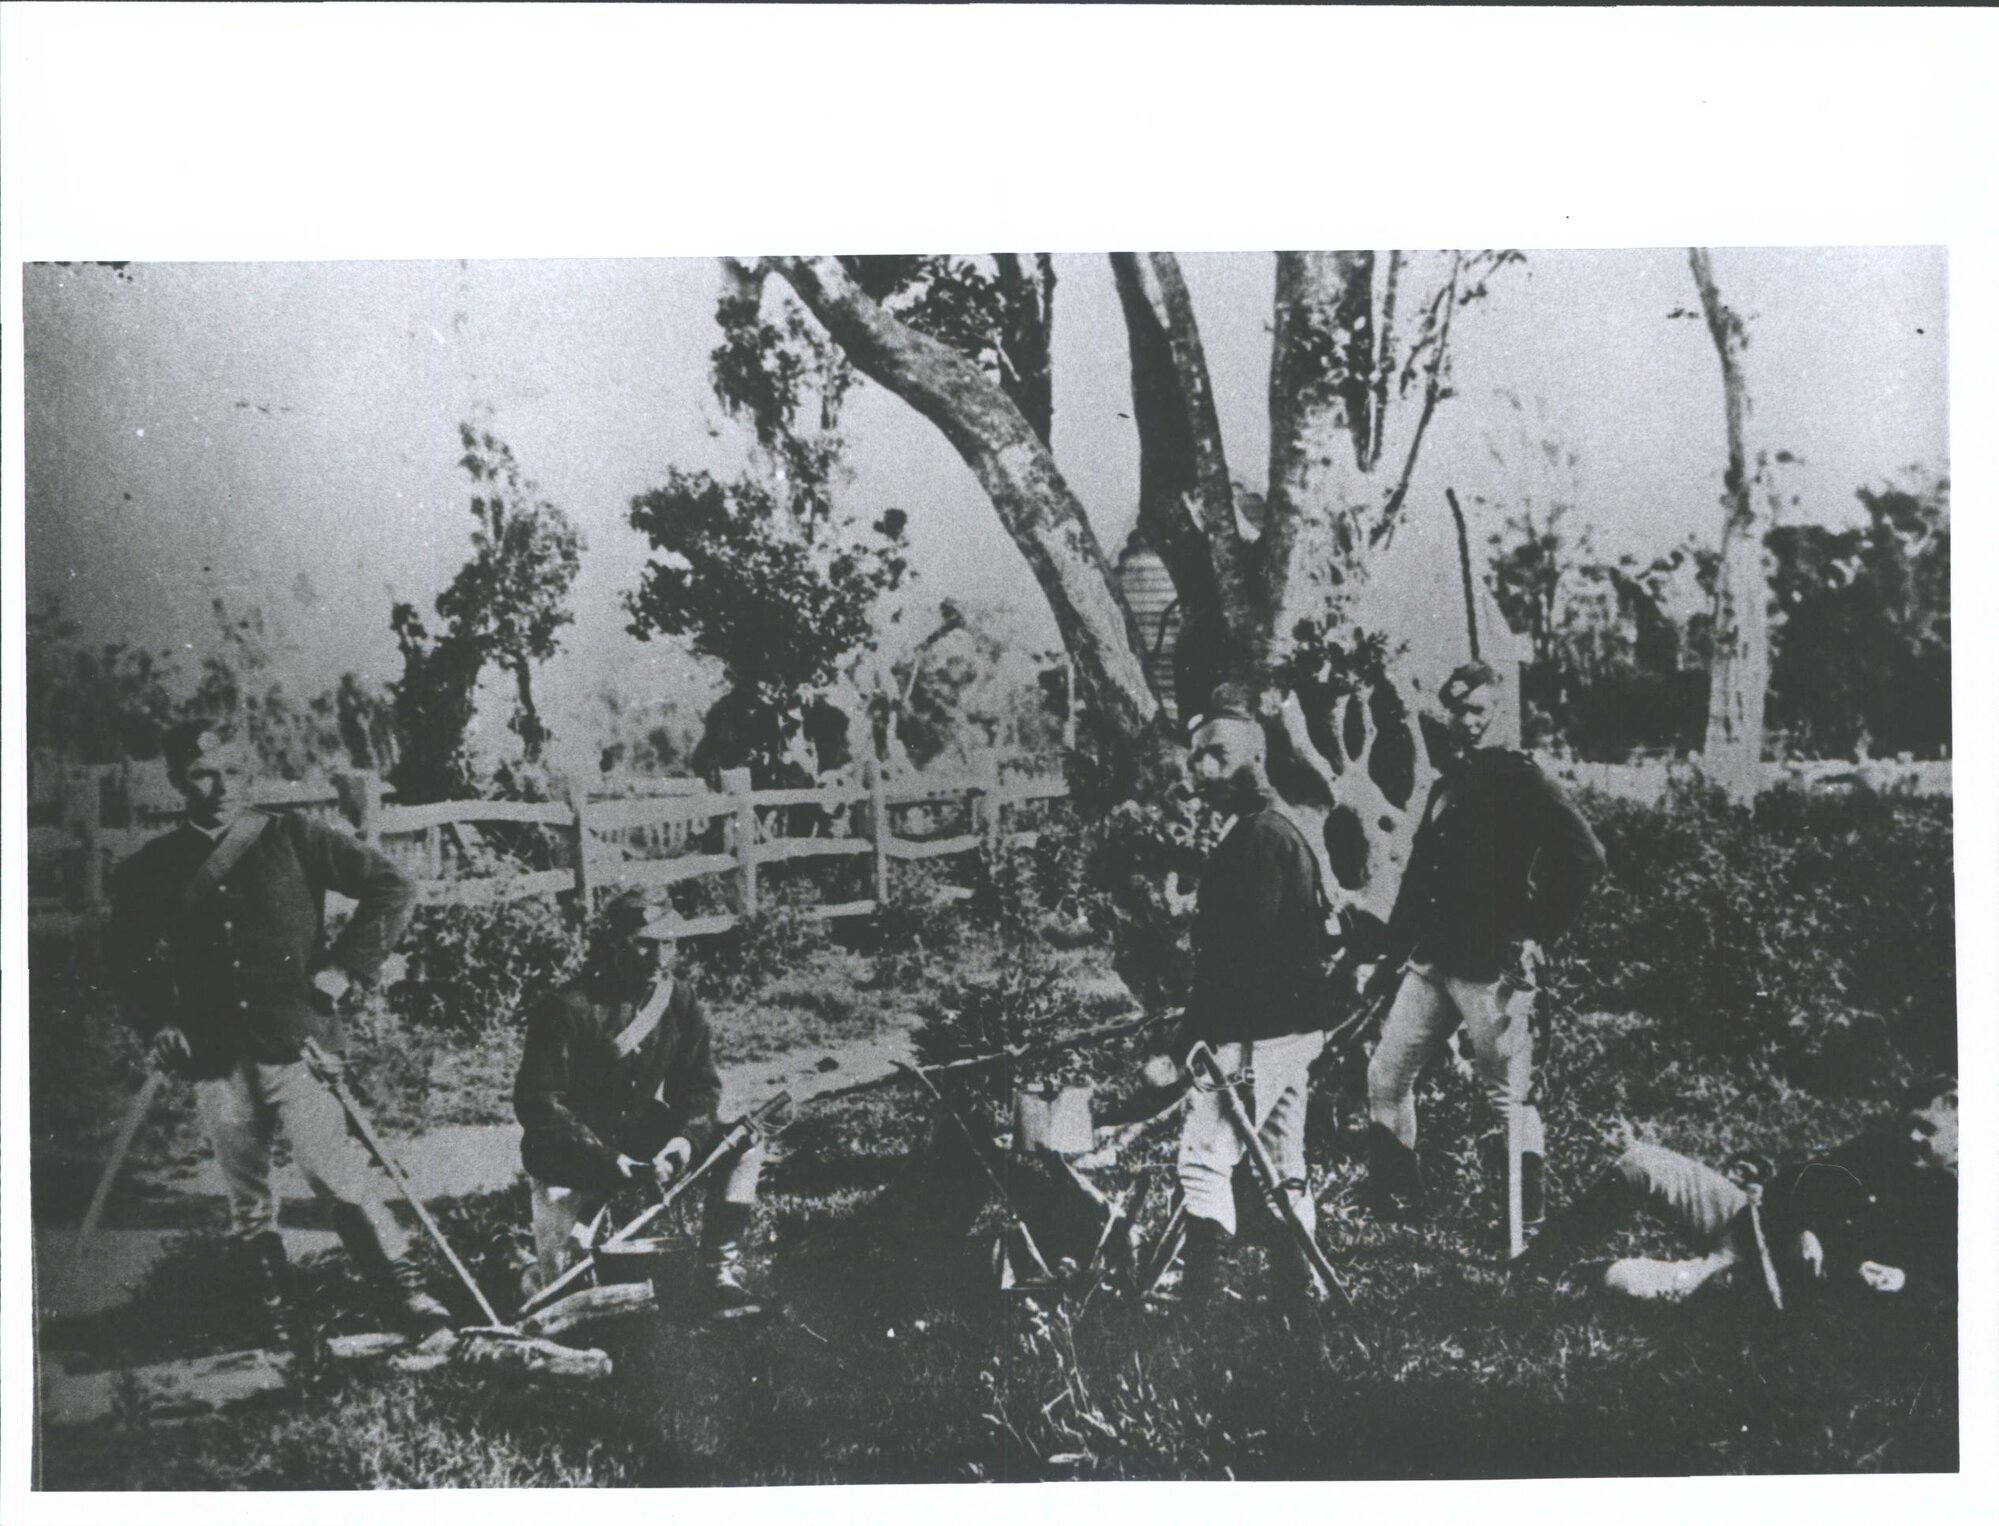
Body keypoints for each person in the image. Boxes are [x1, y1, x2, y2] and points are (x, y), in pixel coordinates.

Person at [109, 720, 448, 1338]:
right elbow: (123, 956)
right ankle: (272, 1315)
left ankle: (404, 1295)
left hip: (300, 1042)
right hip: (212, 1052)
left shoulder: (293, 836)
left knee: (330, 1172)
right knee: (245, 1194)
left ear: (250, 773)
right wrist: (156, 1022)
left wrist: (346, 968)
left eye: (233, 772)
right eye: (202, 775)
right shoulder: (152, 867)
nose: (219, 787)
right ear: (178, 780)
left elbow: (392, 886)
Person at [1363, 661, 1606, 1237]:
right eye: (1458, 710)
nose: (1467, 722)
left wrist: (1531, 932)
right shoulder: (1448, 785)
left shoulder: (1523, 780)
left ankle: (1526, 1227)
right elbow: (1420, 878)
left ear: (1501, 715)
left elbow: (1587, 858)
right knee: (1385, 1076)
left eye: (1480, 711)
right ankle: (1400, 1208)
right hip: (1431, 961)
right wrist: (1390, 954)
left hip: (1488, 967)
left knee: (1507, 1097)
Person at [513, 889, 765, 1319]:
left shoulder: (678, 998)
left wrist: (685, 1140)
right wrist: (606, 1159)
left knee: (745, 1143)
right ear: (613, 943)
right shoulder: (567, 1007)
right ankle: (521, 1266)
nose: (657, 957)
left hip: (645, 1134)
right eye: (644, 943)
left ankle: (717, 1273)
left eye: (668, 942)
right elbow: (538, 1103)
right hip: (573, 1150)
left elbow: (699, 1087)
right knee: (555, 1299)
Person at [1510, 1078, 1958, 1310]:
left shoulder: (1959, 1206)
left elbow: (1957, 1304)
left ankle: (1579, 1279)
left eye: (1928, 1130)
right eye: (1909, 1124)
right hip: (1750, 1219)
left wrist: (1903, 1283)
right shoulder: (1879, 1148)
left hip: (1766, 1276)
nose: (1913, 1137)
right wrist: (1804, 1225)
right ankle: (1534, 1266)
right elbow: (1800, 1179)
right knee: (1641, 1163)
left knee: (1626, 1282)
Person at [1164, 707, 1333, 1301]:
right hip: (1290, 1029)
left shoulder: (1261, 836)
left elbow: (1243, 955)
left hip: (1259, 1033)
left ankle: (1197, 1312)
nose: (1203, 767)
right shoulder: (1264, 828)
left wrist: (1194, 1035)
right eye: (1197, 755)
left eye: (1219, 754)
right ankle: (1297, 1292)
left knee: (1205, 1159)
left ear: (1256, 759)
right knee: (1283, 1157)